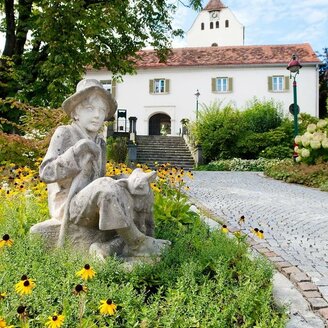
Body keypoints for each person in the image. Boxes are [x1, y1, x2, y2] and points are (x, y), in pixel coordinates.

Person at [39, 79, 169, 258]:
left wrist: (126, 179)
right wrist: (77, 152)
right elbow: (45, 172)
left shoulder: (100, 141)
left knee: (140, 187)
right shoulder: (65, 133)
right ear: (76, 112)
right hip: (70, 206)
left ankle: (115, 246)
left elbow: (98, 180)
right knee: (106, 186)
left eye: (101, 110)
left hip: (89, 202)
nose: (97, 115)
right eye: (90, 109)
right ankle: (137, 244)